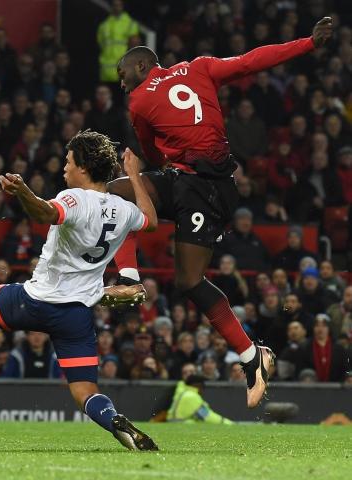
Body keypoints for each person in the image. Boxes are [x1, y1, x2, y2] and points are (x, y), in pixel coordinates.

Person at [108, 16, 335, 409]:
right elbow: (252, 61)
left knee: (187, 278)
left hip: (206, 190)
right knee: (122, 194)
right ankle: (130, 280)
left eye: (122, 71)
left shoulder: (139, 101)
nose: (120, 79)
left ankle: (252, 355)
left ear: (143, 66)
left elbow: (151, 151)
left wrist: (163, 163)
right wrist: (308, 44)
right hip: (196, 181)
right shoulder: (201, 66)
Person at [0, 130, 159, 451]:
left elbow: (45, 213)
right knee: (85, 392)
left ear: (84, 168)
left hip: (34, 301)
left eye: (68, 161)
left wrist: (22, 191)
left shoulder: (72, 198)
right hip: (75, 316)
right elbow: (151, 220)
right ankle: (114, 420)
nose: (64, 168)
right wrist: (133, 176)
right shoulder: (123, 210)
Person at [167, 375, 233, 424]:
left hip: (174, 424)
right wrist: (227, 423)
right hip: (181, 426)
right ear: (197, 385)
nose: (203, 390)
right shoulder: (191, 396)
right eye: (202, 387)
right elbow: (206, 416)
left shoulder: (182, 392)